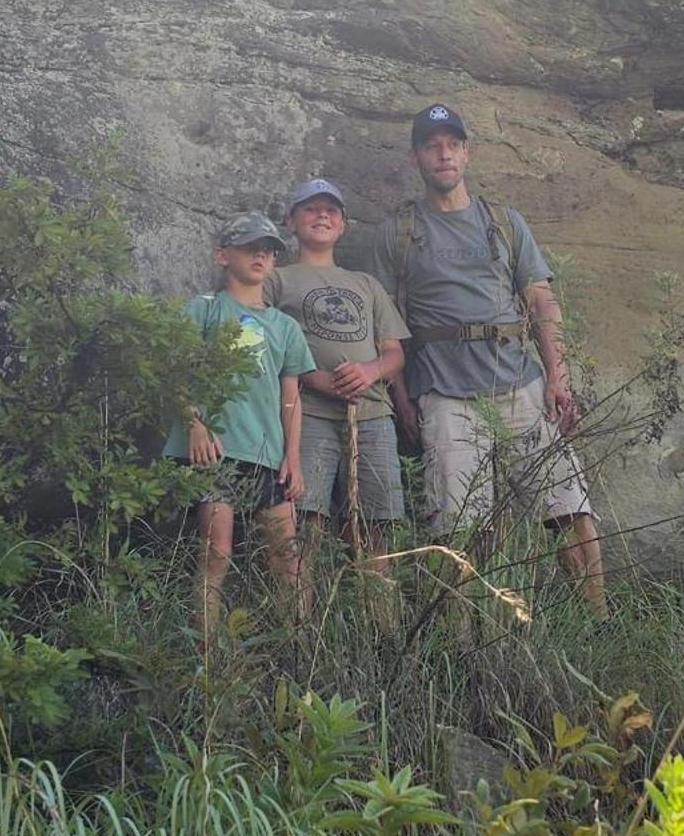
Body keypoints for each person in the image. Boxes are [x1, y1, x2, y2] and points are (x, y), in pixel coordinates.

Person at [369, 103, 608, 617]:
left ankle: (598, 620)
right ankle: (467, 638)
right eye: (432, 145)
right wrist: (401, 397)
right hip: (443, 391)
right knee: (457, 524)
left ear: (467, 153)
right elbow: (385, 323)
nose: (443, 153)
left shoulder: (502, 221)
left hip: (517, 381)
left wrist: (557, 379)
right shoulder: (398, 232)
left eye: (452, 144)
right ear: (417, 157)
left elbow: (541, 301)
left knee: (568, 505)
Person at [163, 213, 317, 638]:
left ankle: (303, 648)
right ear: (222, 255)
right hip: (217, 453)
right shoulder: (204, 309)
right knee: (216, 553)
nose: (261, 255)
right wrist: (195, 423)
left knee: (288, 558)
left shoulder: (285, 327)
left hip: (268, 455)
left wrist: (293, 458)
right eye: (250, 247)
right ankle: (207, 653)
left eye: (267, 250)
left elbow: (292, 396)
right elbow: (178, 370)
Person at [266, 178, 410, 554]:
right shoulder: (275, 280)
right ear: (291, 221)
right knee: (304, 520)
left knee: (378, 523)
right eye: (311, 209)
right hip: (308, 414)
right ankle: (304, 611)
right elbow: (263, 345)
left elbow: (395, 353)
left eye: (331, 211)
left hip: (373, 414)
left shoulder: (366, 283)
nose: (322, 216)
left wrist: (369, 371)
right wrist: (315, 378)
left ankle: (377, 610)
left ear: (343, 225)